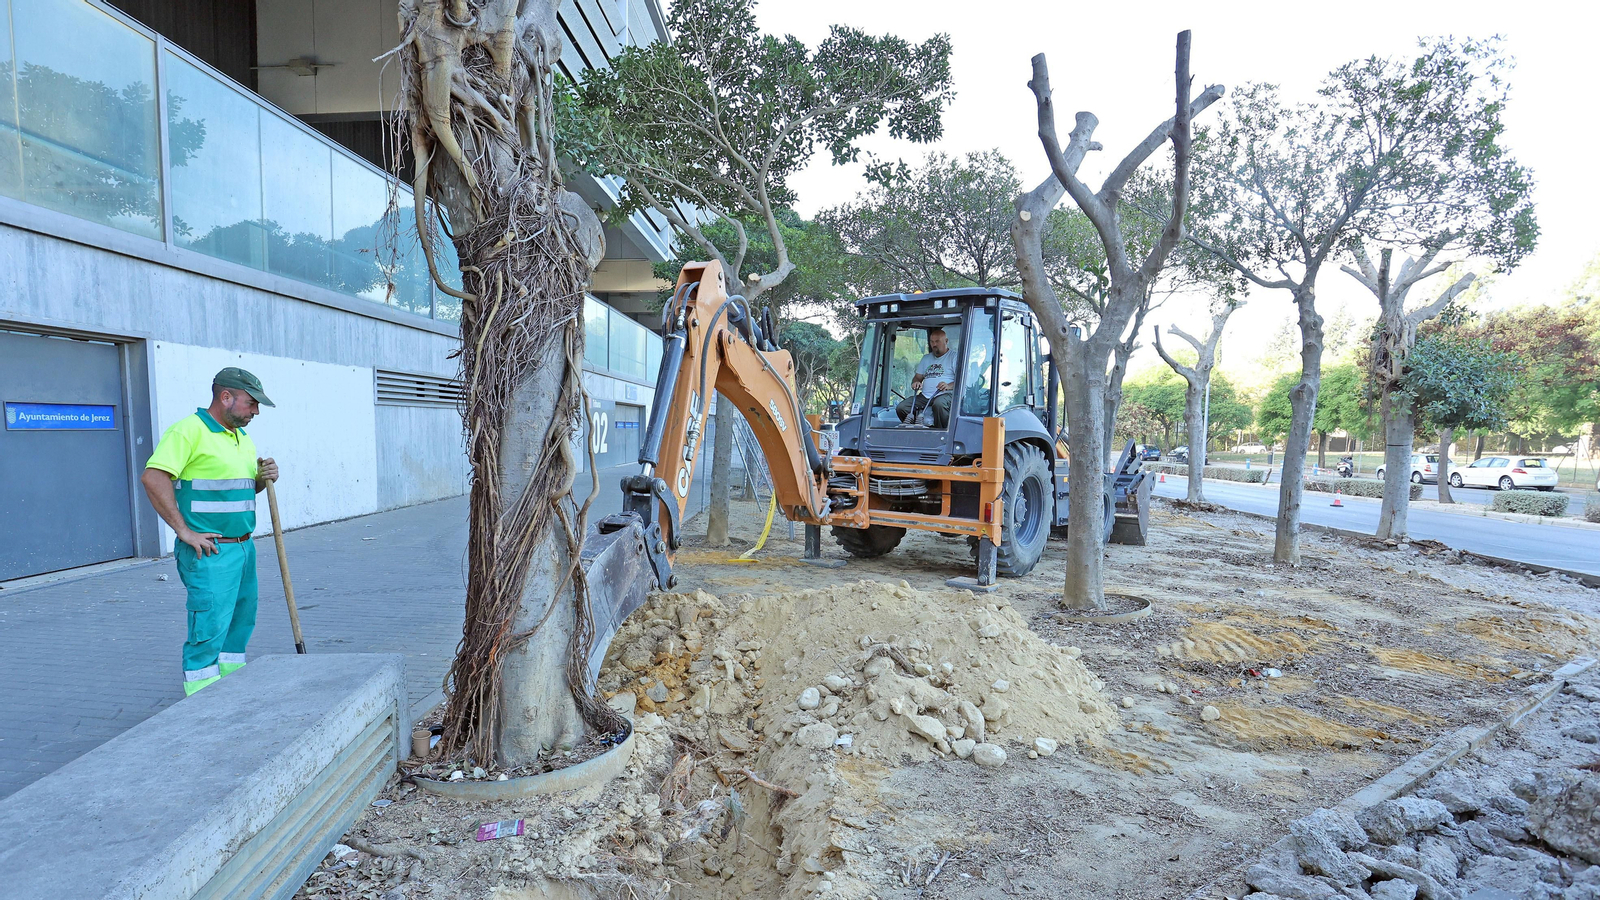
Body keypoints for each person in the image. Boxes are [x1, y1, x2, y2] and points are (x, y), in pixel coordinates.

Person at [139, 368, 279, 696]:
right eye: (251, 403)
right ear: (225, 397)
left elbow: (240, 491)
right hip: (210, 552)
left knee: (238, 628)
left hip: (244, 549)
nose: (255, 411)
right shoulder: (189, 431)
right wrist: (184, 532)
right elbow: (153, 478)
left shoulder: (241, 438)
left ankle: (230, 692)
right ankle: (203, 707)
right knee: (209, 631)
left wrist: (263, 478)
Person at [896, 327, 957, 427]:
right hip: (925, 396)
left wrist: (948, 386)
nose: (934, 344)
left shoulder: (954, 357)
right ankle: (918, 428)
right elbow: (917, 377)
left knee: (939, 404)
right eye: (932, 341)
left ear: (946, 341)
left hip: (946, 394)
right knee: (902, 407)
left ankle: (941, 433)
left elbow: (962, 381)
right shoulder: (926, 358)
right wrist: (916, 382)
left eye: (937, 341)